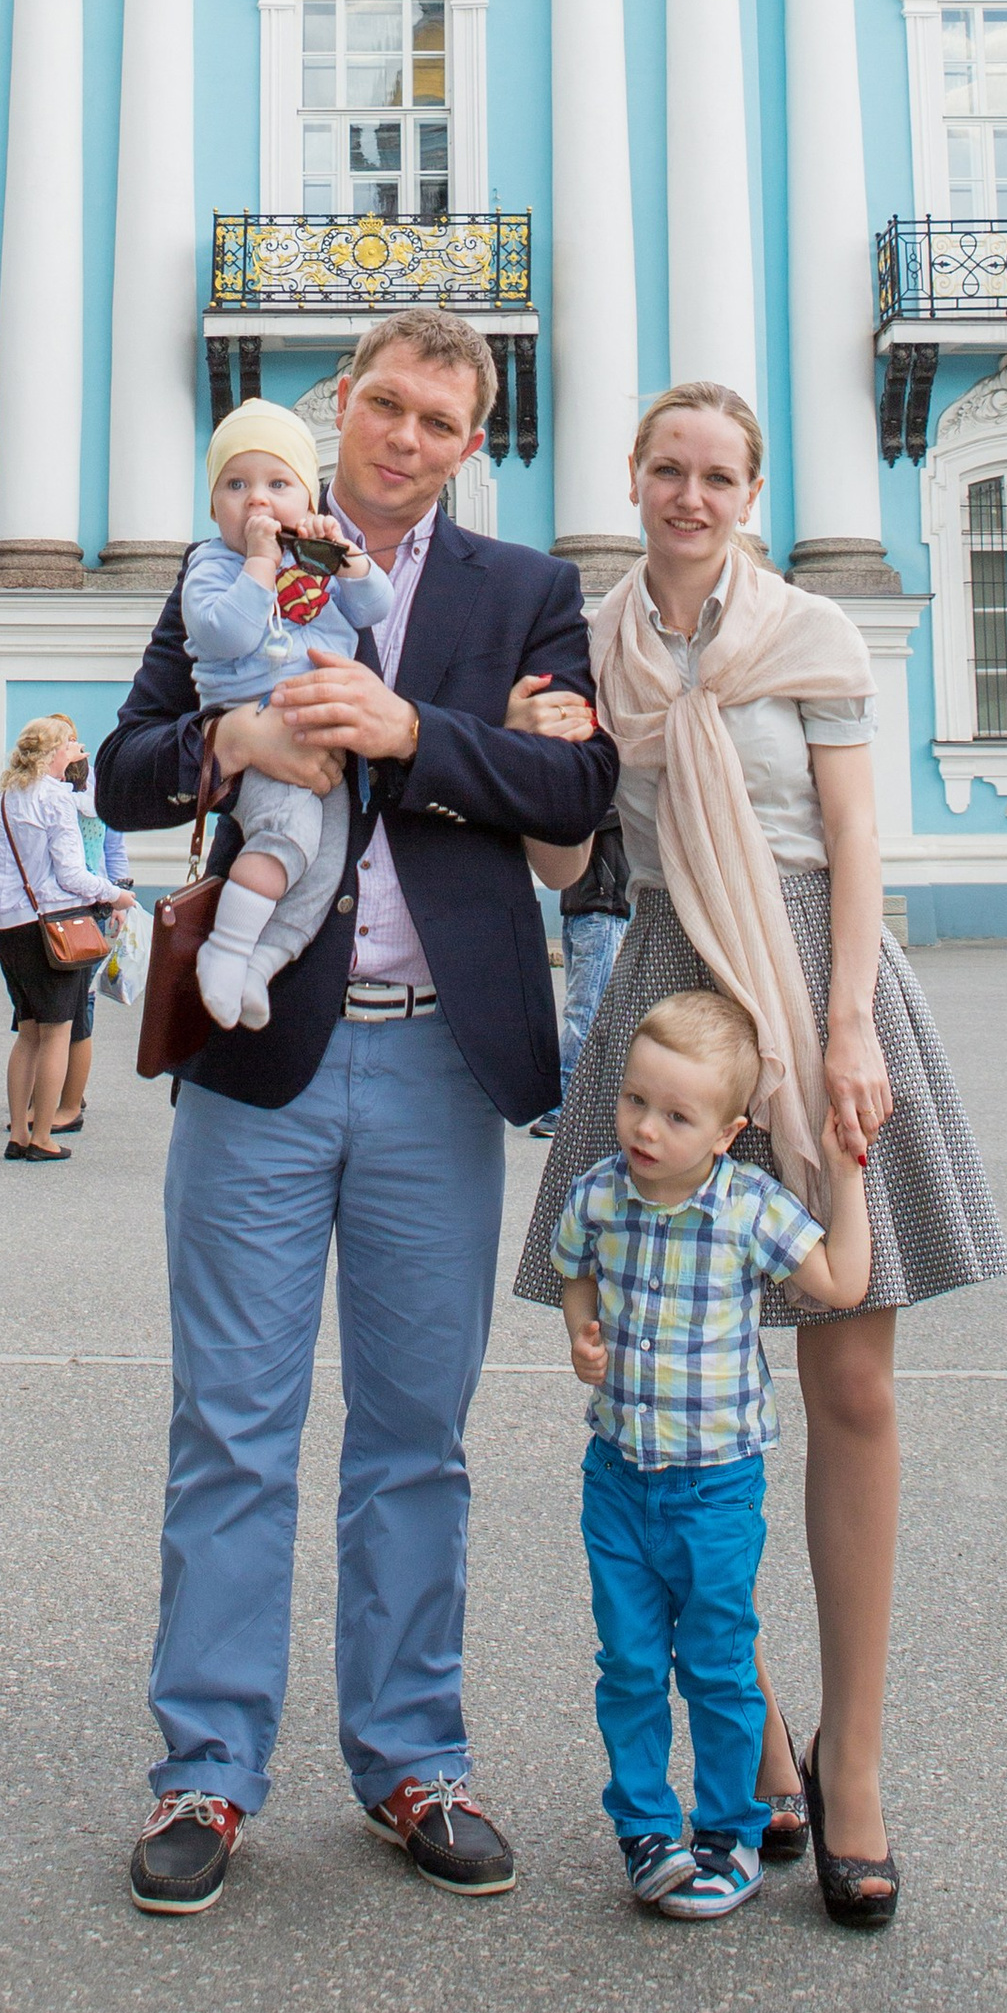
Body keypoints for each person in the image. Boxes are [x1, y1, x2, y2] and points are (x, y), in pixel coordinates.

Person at [98, 311, 616, 1916]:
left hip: (436, 1065)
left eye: (439, 421)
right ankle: (208, 1771)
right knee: (233, 1425)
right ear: (342, 405)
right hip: (262, 1063)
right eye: (383, 404)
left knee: (416, 1438)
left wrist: (417, 738)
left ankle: (412, 1758)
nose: (402, 437)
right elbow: (119, 770)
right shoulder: (238, 553)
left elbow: (579, 796)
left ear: (477, 445)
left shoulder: (524, 594)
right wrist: (229, 738)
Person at [518, 380, 1007, 1932]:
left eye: (718, 473)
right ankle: (757, 1737)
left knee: (850, 1378)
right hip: (672, 1002)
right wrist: (541, 762)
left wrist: (850, 1026)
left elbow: (858, 841)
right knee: (667, 1389)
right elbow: (570, 855)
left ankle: (847, 1761)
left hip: (815, 980)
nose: (689, 494)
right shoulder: (587, 646)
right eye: (666, 468)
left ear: (752, 489)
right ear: (636, 478)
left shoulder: (813, 634)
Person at [555, 985, 875, 1919]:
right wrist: (582, 1331)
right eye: (634, 1102)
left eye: (677, 1115)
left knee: (719, 1664)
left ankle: (730, 1832)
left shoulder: (750, 1211)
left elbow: (840, 1282)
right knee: (627, 1661)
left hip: (716, 1489)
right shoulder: (600, 1195)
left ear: (729, 1131)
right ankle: (646, 1828)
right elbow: (571, 1263)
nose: (646, 1128)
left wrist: (848, 1176)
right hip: (617, 1480)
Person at [180, 400, 395, 1026]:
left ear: (310, 498)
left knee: (324, 867)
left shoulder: (318, 558)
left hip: (325, 742)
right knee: (285, 838)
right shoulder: (212, 567)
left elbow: (372, 607)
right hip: (260, 728)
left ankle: (261, 963)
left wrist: (349, 559)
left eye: (278, 485)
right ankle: (225, 948)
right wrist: (258, 563)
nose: (258, 502)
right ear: (213, 502)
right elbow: (226, 634)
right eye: (236, 485)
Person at [0, 717, 128, 1162]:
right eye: (71, 746)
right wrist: (116, 893)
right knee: (57, 1033)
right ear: (53, 753)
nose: (78, 752)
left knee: (27, 1032)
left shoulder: (3, 799)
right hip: (52, 927)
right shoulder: (55, 799)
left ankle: (19, 1133)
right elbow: (71, 873)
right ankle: (44, 1135)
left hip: (10, 927)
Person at [529, 809, 630, 1141]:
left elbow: (580, 818)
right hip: (578, 908)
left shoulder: (614, 797)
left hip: (603, 912)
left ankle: (563, 1106)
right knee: (585, 1012)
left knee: (582, 1014)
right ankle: (589, 1103)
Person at [54, 769, 131, 1139]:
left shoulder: (100, 792)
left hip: (95, 907)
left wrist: (119, 896)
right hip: (57, 908)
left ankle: (72, 1092)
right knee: (54, 1004)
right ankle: (58, 1089)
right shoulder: (47, 795)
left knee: (81, 1003)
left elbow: (113, 848)